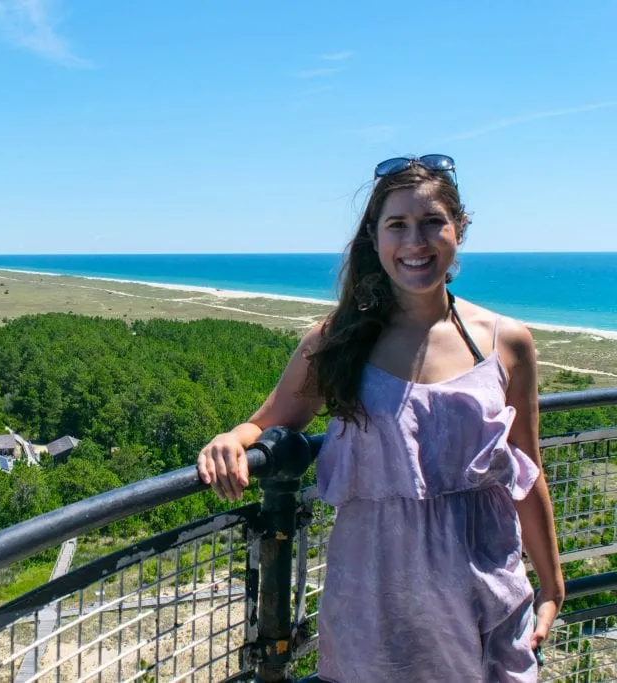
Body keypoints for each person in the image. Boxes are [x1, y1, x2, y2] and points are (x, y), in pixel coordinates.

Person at [197, 155, 563, 682]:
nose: (416, 241)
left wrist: (552, 586)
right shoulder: (339, 341)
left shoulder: (506, 343)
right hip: (375, 610)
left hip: (487, 599)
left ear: (458, 229)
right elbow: (274, 418)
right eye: (398, 225)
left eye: (433, 221)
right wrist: (232, 438)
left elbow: (527, 471)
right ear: (374, 236)